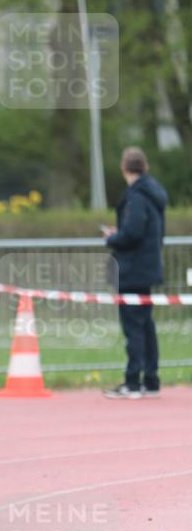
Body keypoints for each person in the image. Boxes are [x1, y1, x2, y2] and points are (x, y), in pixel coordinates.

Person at [102, 146, 167, 400]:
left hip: (132, 269)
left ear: (124, 168)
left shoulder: (136, 197)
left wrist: (112, 238)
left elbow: (133, 233)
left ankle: (133, 381)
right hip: (147, 267)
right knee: (146, 325)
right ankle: (151, 380)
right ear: (145, 167)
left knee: (134, 328)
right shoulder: (153, 194)